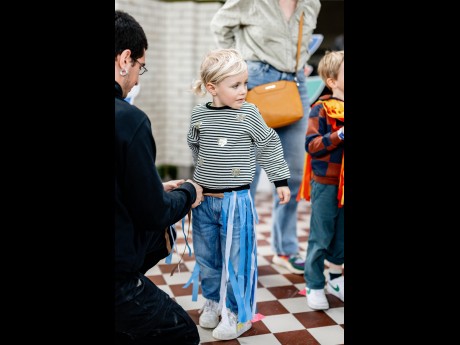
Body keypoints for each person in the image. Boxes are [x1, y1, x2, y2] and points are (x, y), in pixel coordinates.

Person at [210, 0, 322, 275]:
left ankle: (285, 248)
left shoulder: (311, 4)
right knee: (245, 175)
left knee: (293, 174)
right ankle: (239, 252)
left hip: (295, 86)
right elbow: (219, 25)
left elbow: (303, 44)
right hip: (256, 83)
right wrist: (236, 67)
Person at [187, 48, 291, 340]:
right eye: (235, 85)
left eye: (245, 83)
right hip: (204, 201)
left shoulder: (249, 114)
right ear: (212, 88)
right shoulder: (199, 115)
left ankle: (235, 312)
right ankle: (213, 301)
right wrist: (207, 173)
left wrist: (280, 181)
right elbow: (195, 146)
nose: (244, 90)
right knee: (207, 258)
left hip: (236, 202)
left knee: (236, 260)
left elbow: (269, 144)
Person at [115, 10, 203, 344]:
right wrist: (189, 193)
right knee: (182, 334)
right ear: (126, 59)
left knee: (157, 239)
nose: (137, 80)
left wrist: (154, 187)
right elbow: (153, 212)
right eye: (140, 67)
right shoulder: (129, 120)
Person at [297, 50, 344, 310]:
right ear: (332, 81)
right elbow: (311, 145)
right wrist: (339, 136)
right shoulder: (321, 108)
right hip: (326, 182)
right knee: (321, 234)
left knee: (341, 234)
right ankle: (314, 284)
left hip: (345, 186)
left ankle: (336, 278)